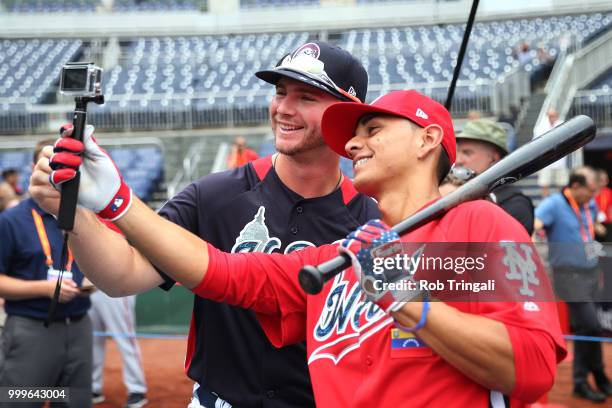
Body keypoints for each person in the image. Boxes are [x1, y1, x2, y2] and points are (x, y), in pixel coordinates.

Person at [31, 89, 566, 406]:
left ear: (428, 141)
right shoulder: (344, 253)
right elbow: (223, 273)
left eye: (373, 129)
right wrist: (117, 202)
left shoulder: (474, 223)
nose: (353, 144)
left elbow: (532, 365)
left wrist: (412, 306)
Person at [41, 41, 377, 407]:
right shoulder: (215, 194)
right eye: (280, 92)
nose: (284, 108)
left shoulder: (372, 223)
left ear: (346, 116)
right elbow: (122, 275)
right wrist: (71, 213)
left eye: (306, 97)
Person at [0, 139, 93, 408]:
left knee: (73, 401)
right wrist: (44, 288)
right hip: (32, 329)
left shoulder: (82, 216)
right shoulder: (11, 221)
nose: (58, 171)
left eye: (66, 164)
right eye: (51, 163)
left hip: (79, 327)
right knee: (22, 401)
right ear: (34, 168)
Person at [534, 166, 611, 403]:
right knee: (590, 325)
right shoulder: (554, 204)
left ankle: (598, 377)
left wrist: (597, 235)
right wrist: (536, 234)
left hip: (590, 273)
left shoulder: (588, 203)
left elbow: (588, 231)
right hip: (568, 276)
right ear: (575, 186)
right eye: (590, 190)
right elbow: (536, 224)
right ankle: (582, 381)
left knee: (589, 328)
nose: (593, 195)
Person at [455, 119, 534, 235]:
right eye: (458, 152)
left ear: (493, 158)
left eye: (467, 153)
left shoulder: (516, 205)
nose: (458, 161)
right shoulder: (454, 193)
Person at [534, 108, 566, 197]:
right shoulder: (541, 126)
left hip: (559, 159)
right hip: (545, 159)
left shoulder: (562, 124)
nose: (552, 118)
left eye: (554, 116)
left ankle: (559, 203)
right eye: (550, 116)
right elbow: (537, 142)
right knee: (544, 184)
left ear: (557, 116)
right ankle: (545, 202)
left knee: (561, 183)